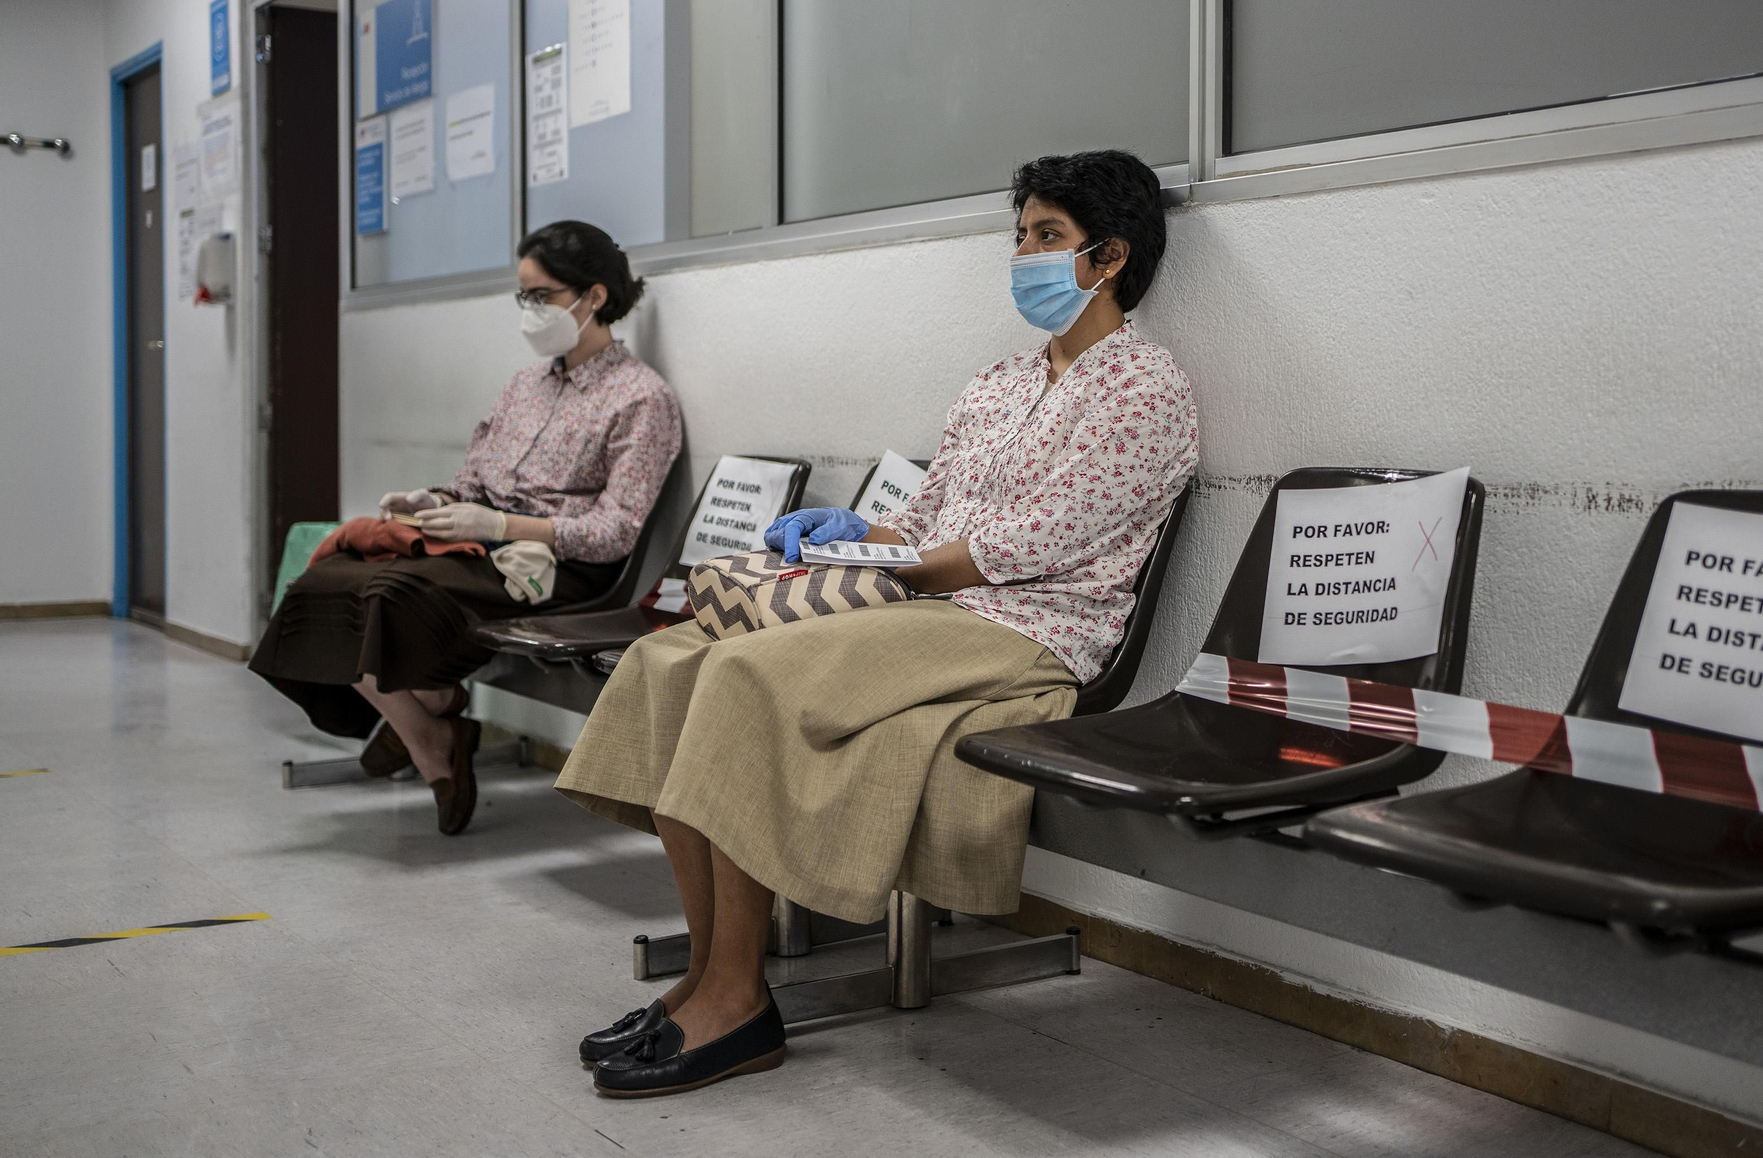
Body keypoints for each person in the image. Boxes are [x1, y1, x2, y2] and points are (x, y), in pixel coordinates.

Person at [556, 150, 1198, 1097]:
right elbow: (933, 516)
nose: (1022, 254)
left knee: (742, 674)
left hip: (1027, 623)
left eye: (1048, 237)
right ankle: (702, 976)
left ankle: (738, 1003)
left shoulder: (1148, 392)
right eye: (1020, 235)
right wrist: (863, 533)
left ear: (1110, 259)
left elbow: (1023, 545)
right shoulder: (998, 383)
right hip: (931, 595)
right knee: (668, 662)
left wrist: (884, 559)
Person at [251, 221, 681, 835]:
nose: (530, 311)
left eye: (543, 296)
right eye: (523, 297)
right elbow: (474, 482)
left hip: (560, 570)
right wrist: (435, 500)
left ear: (594, 297)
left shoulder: (642, 398)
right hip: (482, 549)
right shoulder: (524, 386)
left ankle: (426, 726)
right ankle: (429, 721)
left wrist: (505, 524)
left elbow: (614, 532)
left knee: (387, 595)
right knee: (323, 582)